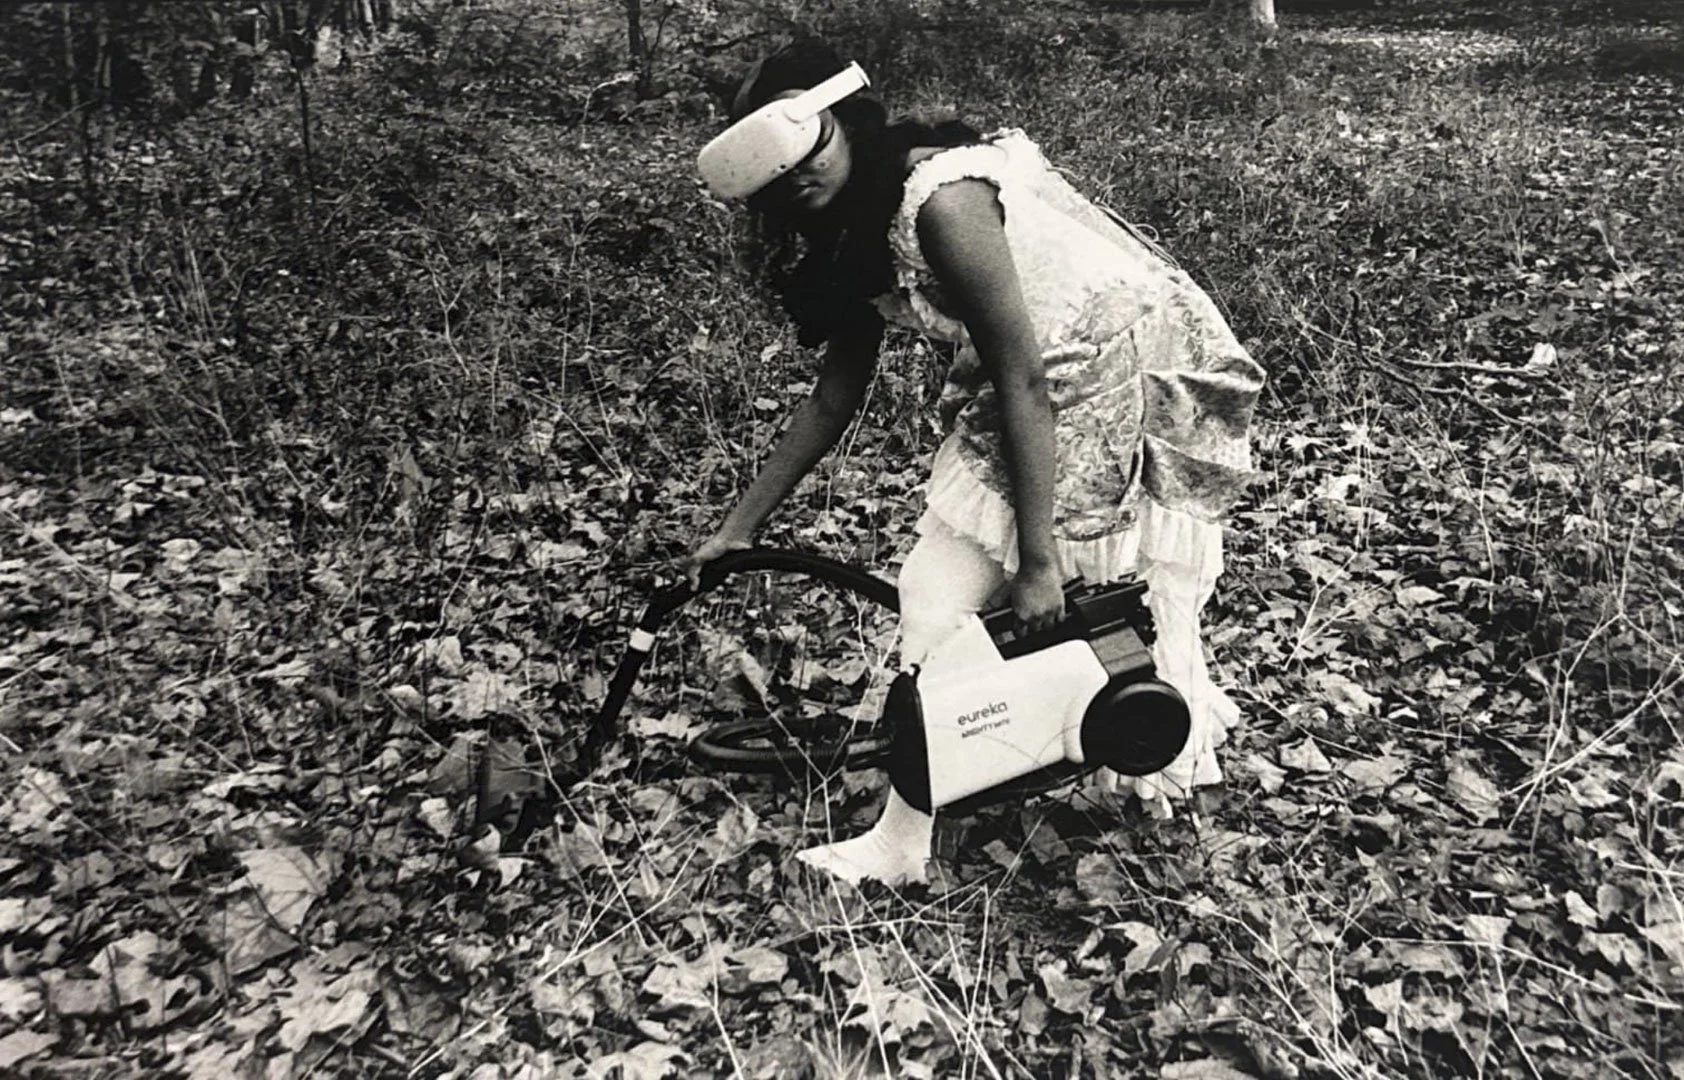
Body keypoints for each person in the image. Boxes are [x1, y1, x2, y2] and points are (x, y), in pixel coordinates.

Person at [683, 41, 1264, 887]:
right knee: (934, 599)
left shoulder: (941, 202)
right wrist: (739, 530)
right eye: (778, 167)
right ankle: (913, 832)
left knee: (1086, 596)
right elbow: (830, 399)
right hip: (1027, 382)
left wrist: (1036, 563)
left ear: (846, 119)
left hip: (1102, 373)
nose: (801, 173)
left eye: (814, 143)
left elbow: (1026, 375)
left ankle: (1132, 759)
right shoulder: (851, 229)